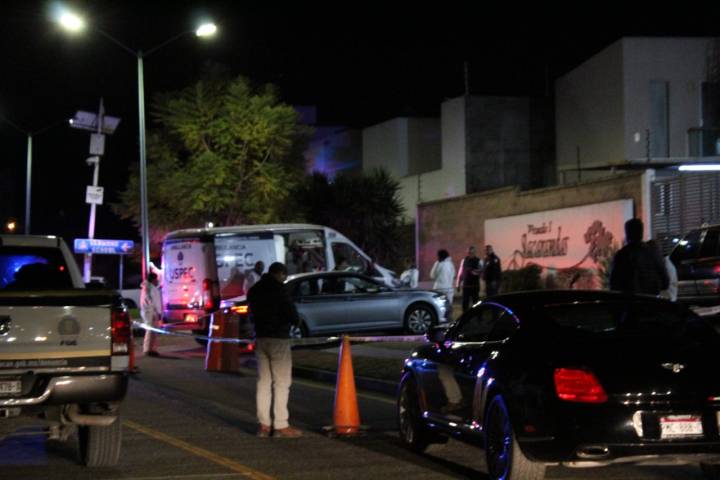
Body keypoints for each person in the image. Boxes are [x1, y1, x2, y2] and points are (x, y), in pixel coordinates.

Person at [247, 262, 302, 438]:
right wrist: (296, 321)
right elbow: (291, 314)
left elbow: (251, 314)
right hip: (278, 338)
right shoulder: (280, 290)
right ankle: (281, 425)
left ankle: (263, 425)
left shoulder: (255, 290)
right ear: (280, 274)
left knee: (263, 382)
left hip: (260, 338)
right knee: (282, 383)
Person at [609, 219, 669, 295]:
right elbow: (665, 282)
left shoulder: (622, 255)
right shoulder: (653, 254)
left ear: (627, 234)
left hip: (629, 300)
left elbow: (614, 284)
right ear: (641, 233)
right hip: (651, 299)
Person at [141, 272, 163, 357]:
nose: (157, 280)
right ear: (153, 279)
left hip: (151, 312)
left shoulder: (149, 287)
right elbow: (153, 301)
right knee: (150, 331)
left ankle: (151, 349)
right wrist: (158, 312)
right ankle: (148, 349)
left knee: (152, 332)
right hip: (151, 312)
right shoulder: (149, 288)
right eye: (156, 279)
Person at [456, 246, 483, 311]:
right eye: (468, 253)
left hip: (475, 286)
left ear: (474, 253)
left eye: (471, 253)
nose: (470, 254)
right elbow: (460, 272)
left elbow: (482, 272)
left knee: (475, 302)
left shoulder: (479, 261)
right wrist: (458, 284)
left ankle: (477, 315)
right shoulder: (464, 260)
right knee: (465, 303)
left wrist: (474, 272)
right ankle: (465, 315)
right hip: (466, 286)